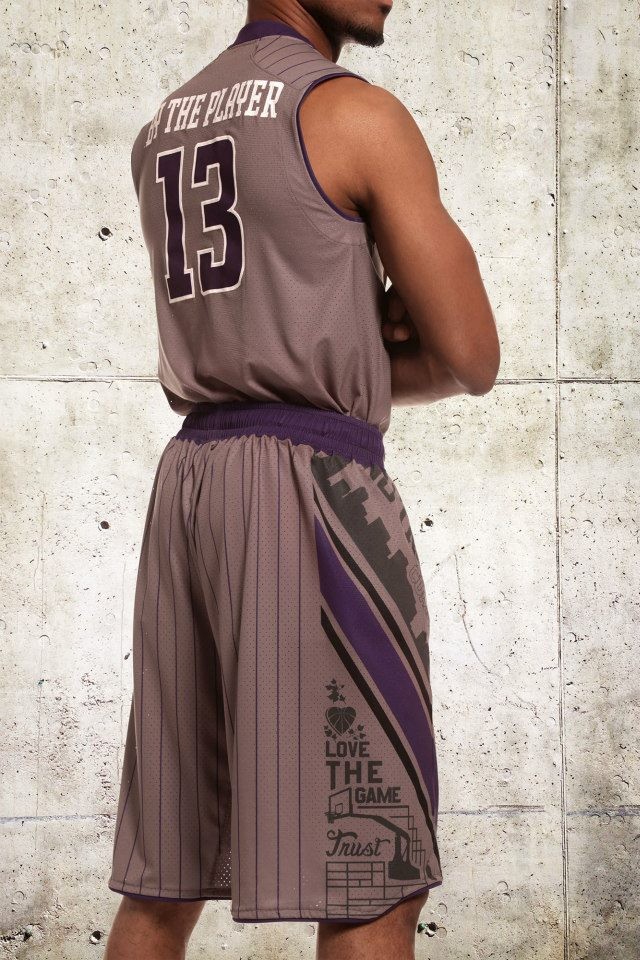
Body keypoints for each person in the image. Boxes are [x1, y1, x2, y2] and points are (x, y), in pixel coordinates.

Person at [104, 1, 500, 957]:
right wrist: (378, 328)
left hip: (189, 487)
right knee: (374, 874)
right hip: (312, 487)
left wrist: (344, 329)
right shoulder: (353, 113)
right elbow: (472, 355)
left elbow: (258, 326)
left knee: (166, 876)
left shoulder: (163, 127)